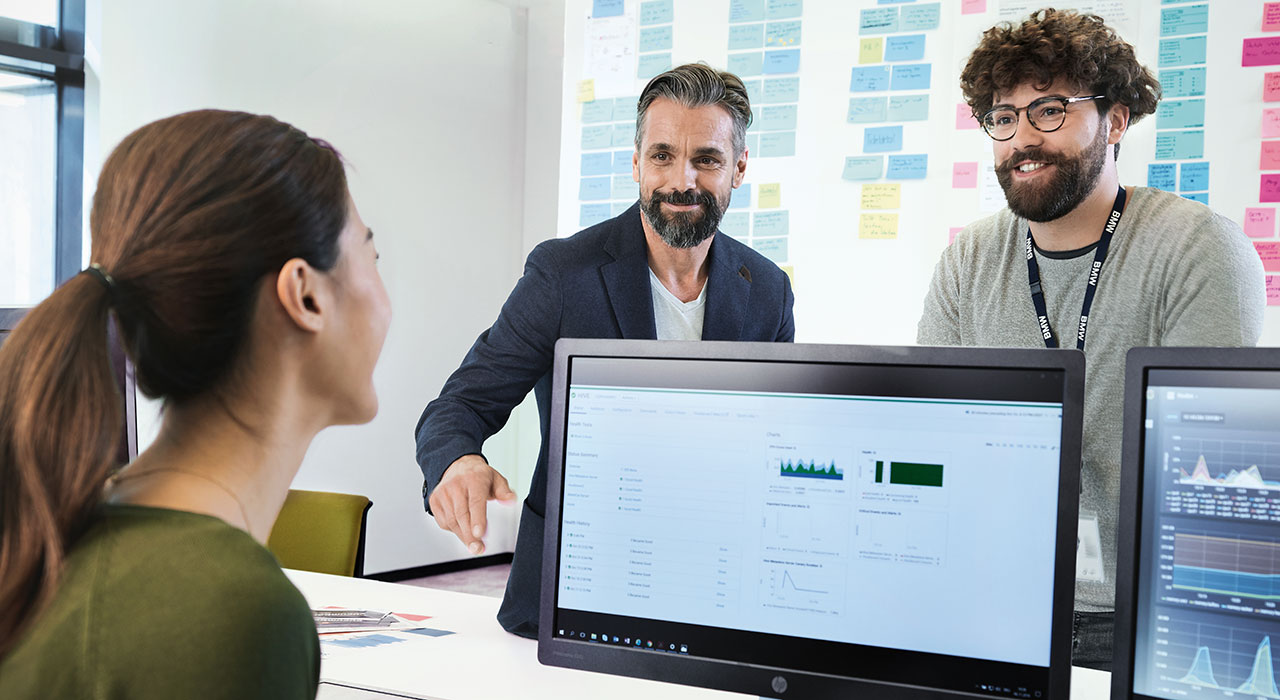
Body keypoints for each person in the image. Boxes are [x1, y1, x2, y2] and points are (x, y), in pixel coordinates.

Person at [0, 110, 391, 698]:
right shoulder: (231, 608)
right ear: (305, 295)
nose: (385, 297)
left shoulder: (63, 533)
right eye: (371, 256)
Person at [918, 9, 1264, 670]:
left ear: (1116, 119)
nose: (1022, 138)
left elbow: (1213, 482)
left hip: (1145, 619)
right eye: (1003, 116)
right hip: (998, 605)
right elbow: (938, 441)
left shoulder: (1199, 252)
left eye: (1050, 109)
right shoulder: (968, 262)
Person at [415, 63, 795, 638]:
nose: (681, 180)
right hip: (573, 587)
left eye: (707, 160)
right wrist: (457, 461)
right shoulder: (564, 274)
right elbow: (459, 406)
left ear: (739, 167)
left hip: (716, 587)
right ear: (637, 162)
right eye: (662, 156)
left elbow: (777, 443)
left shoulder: (767, 289)